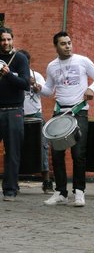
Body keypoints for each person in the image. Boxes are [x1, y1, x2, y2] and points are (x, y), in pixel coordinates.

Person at [36, 31, 94, 207]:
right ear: (56, 46)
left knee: (78, 153)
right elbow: (49, 90)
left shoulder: (82, 60)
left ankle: (79, 192)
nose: (67, 46)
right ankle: (61, 192)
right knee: (57, 153)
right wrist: (37, 86)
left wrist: (91, 88)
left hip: (79, 112)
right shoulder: (52, 66)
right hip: (60, 112)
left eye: (69, 42)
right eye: (63, 43)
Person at [0, 26, 30, 201]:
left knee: (12, 153)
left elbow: (25, 84)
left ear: (13, 39)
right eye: (3, 39)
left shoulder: (19, 59)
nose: (6, 42)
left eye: (9, 39)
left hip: (14, 111)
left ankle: (10, 190)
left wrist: (8, 74)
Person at [19, 49, 54, 194]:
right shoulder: (14, 75)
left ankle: (46, 182)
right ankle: (13, 182)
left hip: (36, 115)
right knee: (16, 148)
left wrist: (36, 86)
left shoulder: (36, 75)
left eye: (24, 62)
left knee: (43, 147)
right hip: (19, 115)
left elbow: (47, 92)